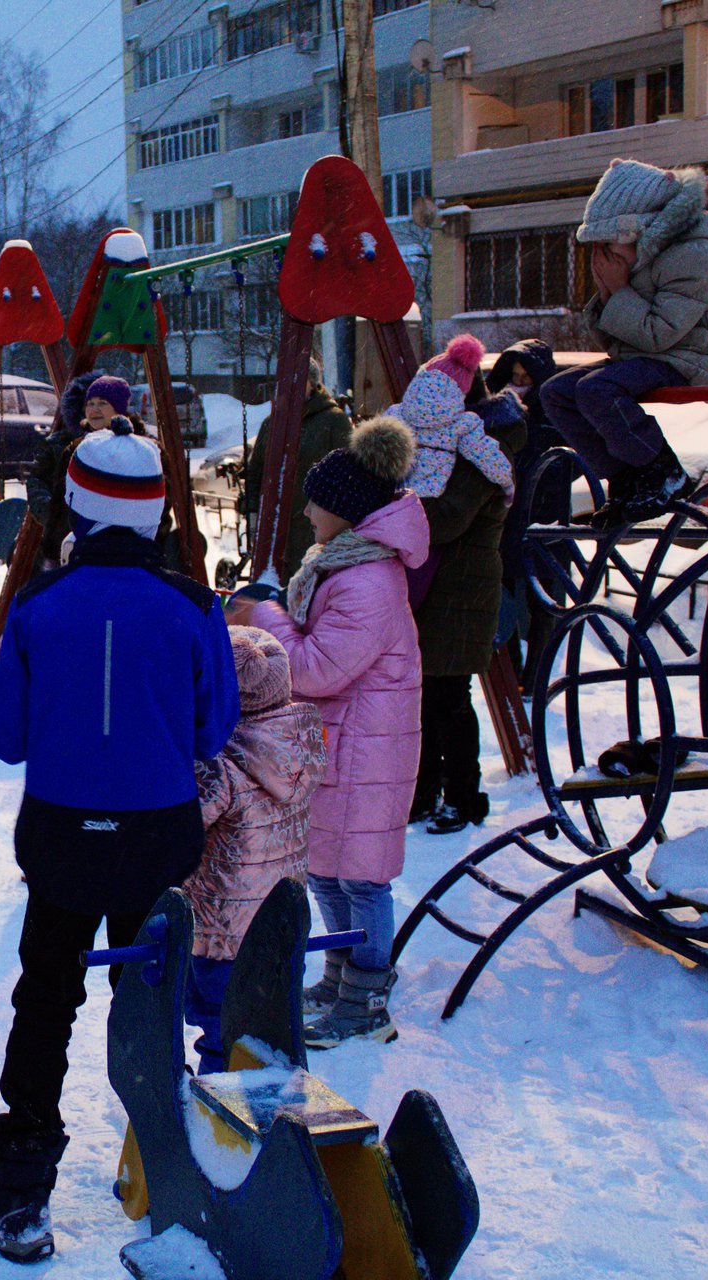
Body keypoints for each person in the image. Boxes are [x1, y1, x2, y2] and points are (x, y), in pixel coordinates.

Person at [0, 419, 240, 1264]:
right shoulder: (192, 605)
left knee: (46, 999)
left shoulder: (40, 604)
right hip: (158, 834)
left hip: (63, 836)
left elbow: (5, 738)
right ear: (153, 516)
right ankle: (174, 1178)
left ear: (75, 503)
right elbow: (214, 728)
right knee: (148, 999)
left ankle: (20, 1193)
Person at [237, 416, 428, 1049]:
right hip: (341, 745)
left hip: (368, 751)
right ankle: (343, 977)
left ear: (345, 510)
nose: (309, 511)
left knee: (363, 877)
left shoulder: (368, 579)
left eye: (317, 501)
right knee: (326, 869)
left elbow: (317, 666)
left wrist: (264, 617)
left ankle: (368, 999)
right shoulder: (343, 563)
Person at [540, 159, 708, 524]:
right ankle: (627, 478)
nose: (603, 255)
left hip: (694, 357)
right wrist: (608, 295)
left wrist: (617, 291)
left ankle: (664, 471)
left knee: (598, 389)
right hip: (653, 354)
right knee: (557, 392)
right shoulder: (638, 260)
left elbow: (659, 334)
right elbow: (616, 343)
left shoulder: (695, 256)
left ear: (644, 232)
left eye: (609, 244)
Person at [181, 626, 326, 1073]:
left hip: (222, 934)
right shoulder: (300, 741)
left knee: (221, 1035)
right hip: (282, 923)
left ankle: (217, 1130)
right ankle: (272, 1118)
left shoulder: (218, 760)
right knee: (272, 1034)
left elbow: (179, 826)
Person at [409, 359, 528, 836]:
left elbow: (448, 518)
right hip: (442, 589)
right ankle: (425, 793)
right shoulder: (453, 443)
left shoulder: (484, 451)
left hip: (463, 592)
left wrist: (401, 510)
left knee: (450, 700)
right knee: (425, 697)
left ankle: (463, 797)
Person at [487, 340, 562, 688]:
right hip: (508, 514)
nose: (517, 383)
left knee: (539, 600)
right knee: (502, 594)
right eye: (513, 375)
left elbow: (563, 463)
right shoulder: (500, 410)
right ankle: (511, 672)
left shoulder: (552, 411)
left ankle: (534, 678)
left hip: (542, 515)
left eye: (525, 377)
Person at [243, 356, 352, 585]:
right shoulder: (272, 424)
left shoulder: (333, 421)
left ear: (313, 383)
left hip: (316, 533)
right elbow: (256, 473)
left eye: (298, 379)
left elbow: (349, 478)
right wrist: (253, 515)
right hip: (274, 532)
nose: (290, 386)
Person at [394, 335, 515, 503]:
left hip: (393, 498)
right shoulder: (462, 423)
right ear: (461, 390)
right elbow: (486, 455)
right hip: (431, 501)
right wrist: (507, 483)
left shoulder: (396, 412)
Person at [23, 369, 102, 569]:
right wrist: (53, 512)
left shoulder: (128, 445)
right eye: (89, 404)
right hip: (63, 537)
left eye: (102, 404)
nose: (95, 410)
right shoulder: (59, 445)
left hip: (109, 538)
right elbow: (37, 480)